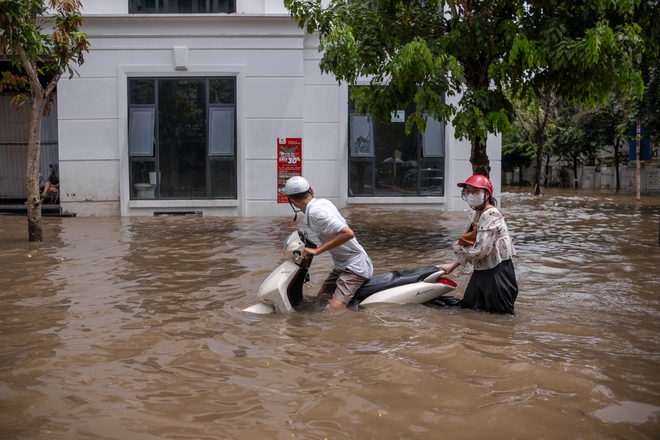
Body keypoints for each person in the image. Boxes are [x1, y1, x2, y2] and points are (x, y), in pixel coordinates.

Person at [284, 176, 374, 310]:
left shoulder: (315, 213)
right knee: (319, 299)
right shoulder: (322, 204)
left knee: (333, 311)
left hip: (354, 267)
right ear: (311, 190)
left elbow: (348, 233)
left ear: (289, 199)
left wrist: (318, 250)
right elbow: (338, 228)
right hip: (342, 265)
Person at [440, 174, 518, 314]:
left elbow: (481, 251)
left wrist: (457, 247)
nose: (471, 194)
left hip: (498, 272)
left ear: (487, 194)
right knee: (471, 309)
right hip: (482, 270)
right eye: (468, 191)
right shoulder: (474, 214)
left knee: (500, 316)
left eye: (476, 191)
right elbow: (470, 244)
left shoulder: (491, 214)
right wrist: (452, 266)